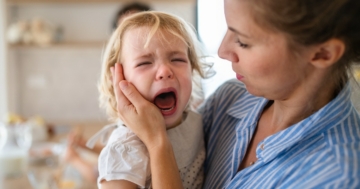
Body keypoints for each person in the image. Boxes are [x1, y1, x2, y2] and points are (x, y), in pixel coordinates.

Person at [111, 0, 360, 188]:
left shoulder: (337, 177)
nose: (222, 50)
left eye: (243, 41)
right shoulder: (228, 99)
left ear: (322, 53)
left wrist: (157, 142)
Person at [89, 11, 210, 189]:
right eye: (144, 63)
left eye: (177, 59)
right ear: (118, 79)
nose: (165, 71)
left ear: (192, 69)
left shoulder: (197, 120)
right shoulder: (125, 149)